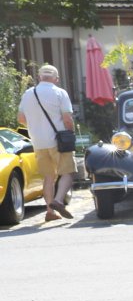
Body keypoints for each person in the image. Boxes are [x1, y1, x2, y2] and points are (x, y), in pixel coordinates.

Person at [15, 63, 76, 221]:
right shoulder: (60, 93)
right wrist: (71, 132)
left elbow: (21, 118)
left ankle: (50, 212)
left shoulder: (28, 94)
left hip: (38, 142)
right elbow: (67, 119)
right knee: (68, 172)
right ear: (56, 78)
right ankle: (58, 201)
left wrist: (35, 127)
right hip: (58, 141)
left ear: (39, 77)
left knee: (48, 177)